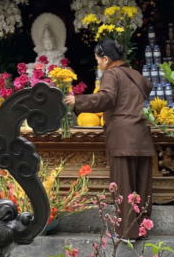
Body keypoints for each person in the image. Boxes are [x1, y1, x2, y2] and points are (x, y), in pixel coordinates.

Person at [65, 39, 155, 239]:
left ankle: (127, 232)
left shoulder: (111, 74)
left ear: (106, 58)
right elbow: (148, 86)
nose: (98, 64)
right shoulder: (135, 74)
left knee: (124, 186)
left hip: (122, 138)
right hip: (141, 135)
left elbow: (106, 98)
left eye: (98, 59)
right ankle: (142, 228)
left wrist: (77, 101)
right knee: (142, 186)